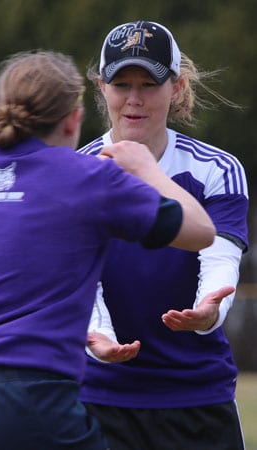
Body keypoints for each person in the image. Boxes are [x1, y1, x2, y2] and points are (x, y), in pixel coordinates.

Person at [0, 50, 215, 450]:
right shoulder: (90, 176)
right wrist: (146, 168)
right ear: (74, 118)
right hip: (36, 399)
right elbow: (200, 231)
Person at [78, 21, 249, 450]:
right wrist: (100, 338)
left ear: (176, 87)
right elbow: (80, 279)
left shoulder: (217, 171)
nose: (134, 98)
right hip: (101, 398)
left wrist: (210, 310)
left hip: (197, 397)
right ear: (102, 87)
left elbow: (219, 261)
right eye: (122, 83)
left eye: (148, 84)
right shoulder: (75, 175)